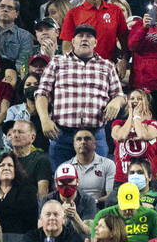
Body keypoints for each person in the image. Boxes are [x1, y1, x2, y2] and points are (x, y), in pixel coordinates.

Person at [34, 25, 126, 168]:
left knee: (97, 184)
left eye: (89, 36)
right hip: (62, 135)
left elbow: (119, 95)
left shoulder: (107, 66)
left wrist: (116, 102)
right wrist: (44, 119)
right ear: (73, 41)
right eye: (80, 36)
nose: (84, 39)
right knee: (62, 184)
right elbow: (42, 93)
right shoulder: (57, 62)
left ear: (95, 42)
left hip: (95, 135)